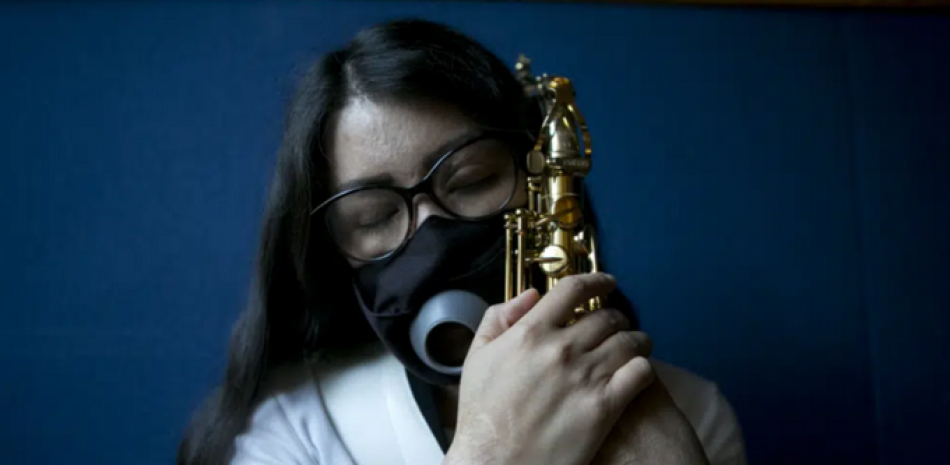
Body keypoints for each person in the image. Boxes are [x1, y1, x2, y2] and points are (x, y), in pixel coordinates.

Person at [177, 18, 747, 465]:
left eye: (471, 181)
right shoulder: (292, 431)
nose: (432, 239)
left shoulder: (692, 412)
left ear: (540, 179)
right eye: (374, 216)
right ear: (332, 252)